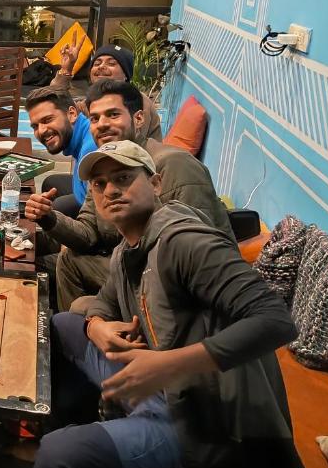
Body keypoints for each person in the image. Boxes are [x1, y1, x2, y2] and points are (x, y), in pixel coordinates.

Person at [16, 139, 301, 468]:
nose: (111, 190)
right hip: (154, 387)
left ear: (155, 182)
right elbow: (100, 305)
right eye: (99, 184)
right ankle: (93, 436)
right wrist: (97, 327)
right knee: (63, 326)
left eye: (124, 178)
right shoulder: (129, 248)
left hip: (206, 422)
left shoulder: (186, 242)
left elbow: (275, 320)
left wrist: (169, 364)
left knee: (60, 456)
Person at [25, 80, 231, 310]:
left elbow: (199, 259)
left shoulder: (174, 165)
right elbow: (88, 234)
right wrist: (49, 218)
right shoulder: (104, 166)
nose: (102, 125)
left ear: (139, 118)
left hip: (175, 290)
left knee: (79, 306)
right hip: (130, 265)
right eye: (95, 118)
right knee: (67, 262)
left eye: (113, 115)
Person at [51, 34, 163, 141]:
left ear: (126, 75)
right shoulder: (89, 103)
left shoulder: (137, 102)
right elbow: (55, 107)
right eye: (97, 63)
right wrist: (66, 70)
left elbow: (128, 147)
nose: (101, 67)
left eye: (111, 63)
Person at [24, 86, 97, 218]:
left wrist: (51, 220)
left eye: (47, 120)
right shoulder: (83, 133)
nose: (41, 131)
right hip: (86, 195)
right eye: (35, 126)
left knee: (56, 210)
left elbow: (100, 221)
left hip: (97, 221)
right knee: (51, 182)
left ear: (72, 114)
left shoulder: (90, 152)